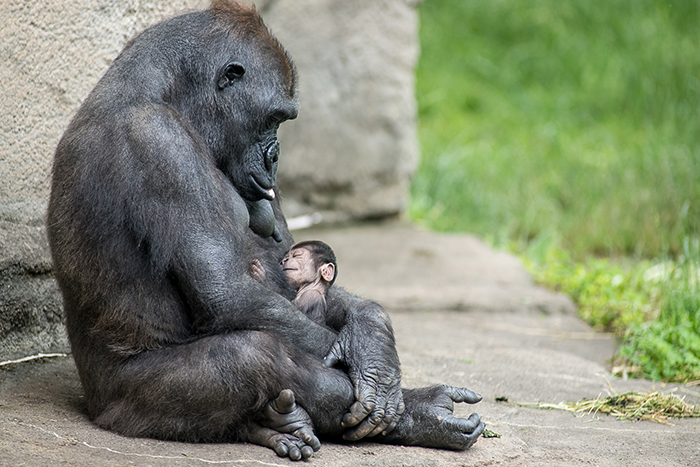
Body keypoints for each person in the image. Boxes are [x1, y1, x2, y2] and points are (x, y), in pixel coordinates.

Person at [252, 240, 336, 325]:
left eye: (296, 256)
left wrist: (265, 285)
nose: (284, 261)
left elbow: (286, 317)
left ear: (326, 272)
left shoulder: (312, 295)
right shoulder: (301, 296)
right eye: (284, 259)